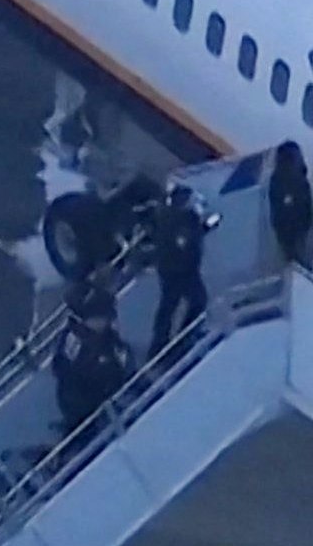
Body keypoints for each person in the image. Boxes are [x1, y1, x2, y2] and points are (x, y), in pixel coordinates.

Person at [53, 299, 134, 445]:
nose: (103, 323)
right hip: (81, 403)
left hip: (100, 400)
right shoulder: (77, 342)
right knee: (84, 435)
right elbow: (64, 369)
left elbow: (122, 366)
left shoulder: (110, 341)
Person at [147, 184, 210, 354]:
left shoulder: (167, 217)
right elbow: (185, 242)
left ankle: (165, 342)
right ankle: (182, 337)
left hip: (174, 269)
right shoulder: (181, 219)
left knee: (169, 306)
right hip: (181, 270)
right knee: (195, 301)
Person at [268, 141, 313, 266]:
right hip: (294, 232)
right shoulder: (295, 181)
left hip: (287, 231)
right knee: (295, 261)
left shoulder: (277, 179)